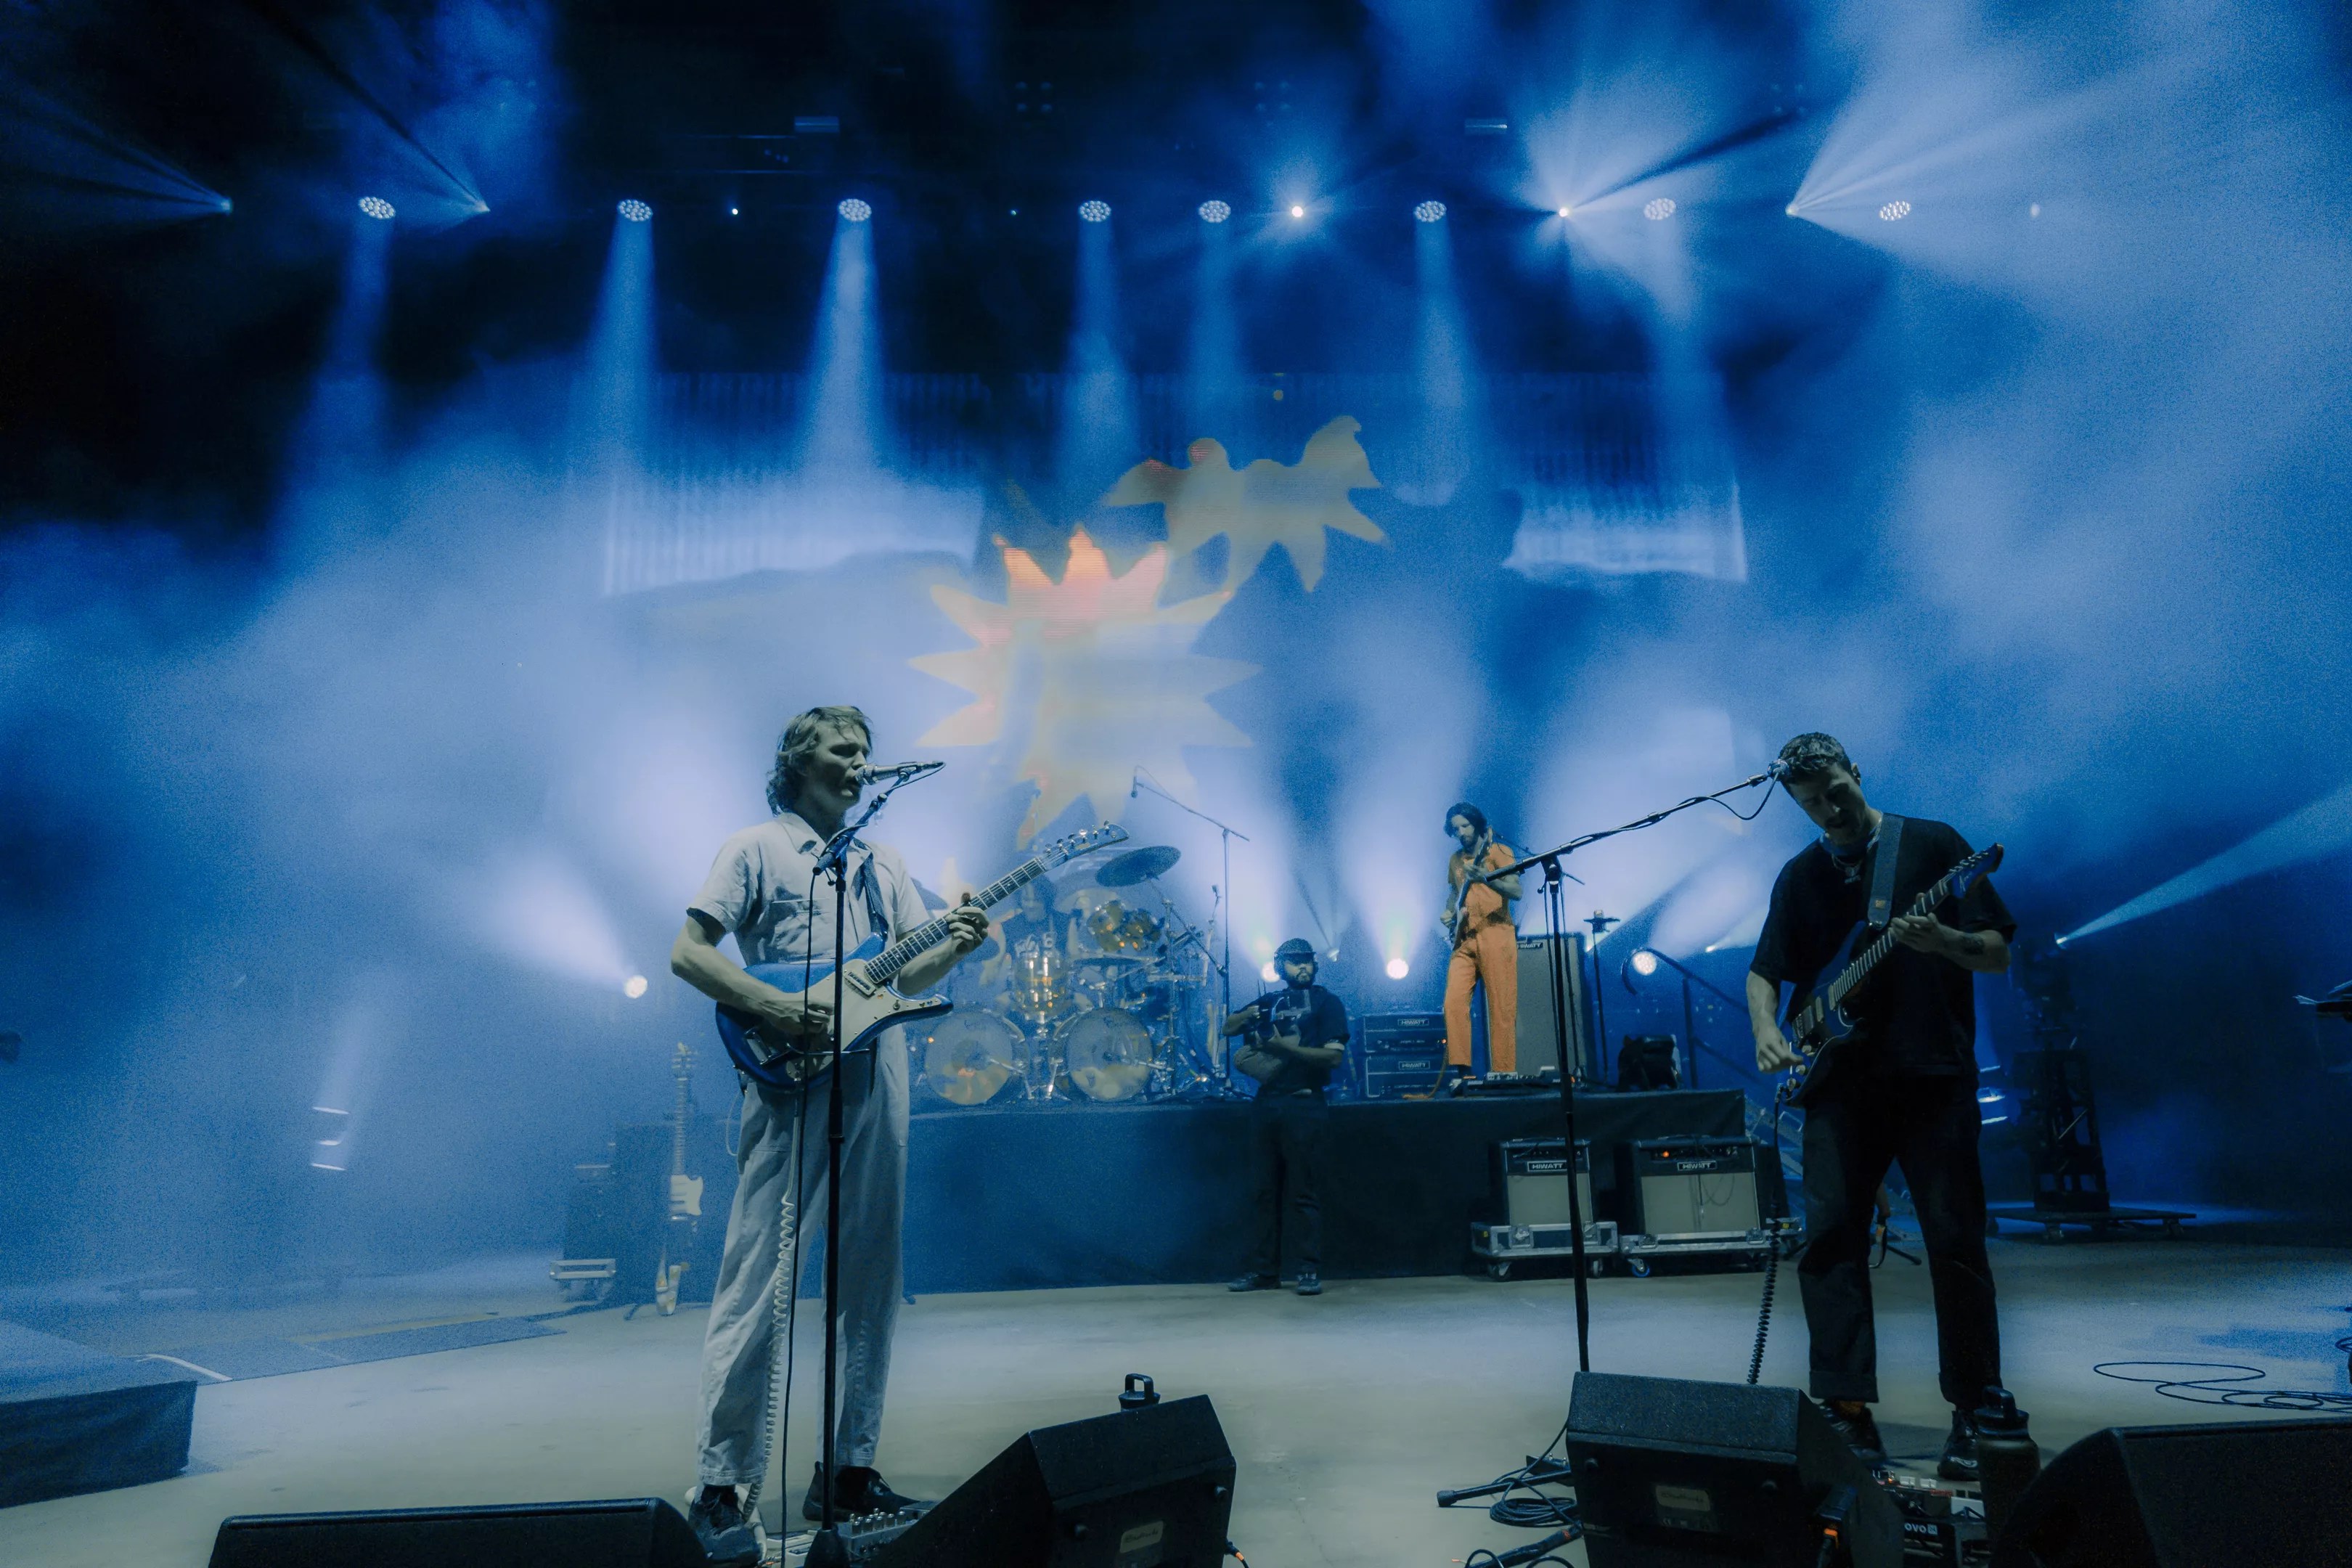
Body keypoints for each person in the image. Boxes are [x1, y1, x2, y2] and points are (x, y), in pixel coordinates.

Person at [670, 706, 989, 1564]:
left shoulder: (882, 862)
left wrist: (953, 946)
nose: (860, 766)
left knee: (871, 1274)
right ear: (798, 760)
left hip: (877, 1065)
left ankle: (849, 1471)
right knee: (759, 1274)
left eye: (866, 754)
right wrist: (777, 1007)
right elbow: (689, 954)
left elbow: (906, 970)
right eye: (844, 752)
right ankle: (721, 1483)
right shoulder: (755, 847)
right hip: (787, 1071)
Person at [1745, 732, 2014, 1481]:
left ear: (1856, 773)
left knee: (1956, 1242)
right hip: (1839, 1088)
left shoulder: (1934, 846)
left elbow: (1996, 951)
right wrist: (1769, 1029)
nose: (1829, 810)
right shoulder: (1801, 876)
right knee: (1830, 1244)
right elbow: (1766, 974)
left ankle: (1977, 1406)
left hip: (1931, 1077)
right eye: (1811, 804)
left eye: (1836, 791)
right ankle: (1846, 1412)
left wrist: (1945, 939)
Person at [1222, 938, 1349, 1297]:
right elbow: (1228, 1028)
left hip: (1305, 1103)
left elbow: (1333, 1058)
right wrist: (1254, 1016)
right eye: (1294, 963)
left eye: (1307, 961)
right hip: (1267, 1104)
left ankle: (1307, 1269)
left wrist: (1284, 1048)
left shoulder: (1327, 1002)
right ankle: (1264, 1272)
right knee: (1263, 1192)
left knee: (1303, 1192)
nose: (1302, 967)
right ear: (1280, 969)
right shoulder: (1271, 1000)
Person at [1440, 803, 1523, 1081]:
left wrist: (1486, 879)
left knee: (1501, 1005)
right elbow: (1455, 893)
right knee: (1453, 1003)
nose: (1461, 832)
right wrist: (1450, 911)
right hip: (1465, 938)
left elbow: (1516, 890)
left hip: (1496, 933)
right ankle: (1463, 1072)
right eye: (1455, 828)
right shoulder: (1455, 860)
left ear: (1477, 824)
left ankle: (1503, 1071)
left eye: (1465, 825)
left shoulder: (1499, 852)